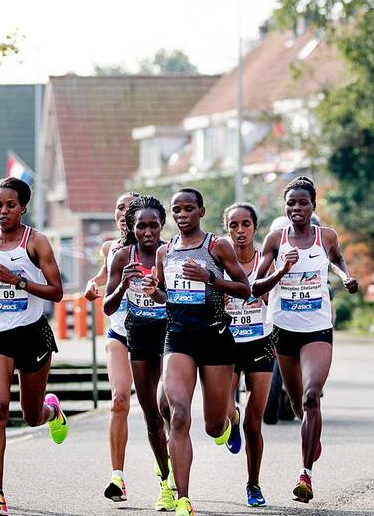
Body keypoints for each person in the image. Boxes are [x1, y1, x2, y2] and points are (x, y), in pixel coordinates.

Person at [0, 177, 67, 516]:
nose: (3, 211)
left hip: (31, 333)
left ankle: (52, 412)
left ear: (23, 207)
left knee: (31, 415)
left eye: (10, 205)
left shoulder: (37, 242)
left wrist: (18, 280)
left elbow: (57, 291)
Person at [141, 188, 251, 516]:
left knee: (213, 427)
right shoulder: (166, 251)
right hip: (178, 338)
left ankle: (230, 416)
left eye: (189, 208)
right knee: (178, 412)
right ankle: (184, 498)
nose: (182, 214)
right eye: (177, 209)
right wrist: (154, 291)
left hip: (215, 337)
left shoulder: (217, 246)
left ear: (201, 211)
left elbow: (245, 288)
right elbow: (165, 295)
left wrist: (209, 278)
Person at [253, 176, 359, 504]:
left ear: (314, 205)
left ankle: (305, 474)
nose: (297, 208)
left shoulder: (326, 237)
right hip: (283, 329)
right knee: (300, 405)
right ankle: (310, 432)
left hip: (317, 328)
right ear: (285, 209)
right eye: (291, 203)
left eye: (303, 202)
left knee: (313, 396)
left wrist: (345, 276)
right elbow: (256, 286)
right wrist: (282, 271)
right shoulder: (275, 239)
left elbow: (337, 259)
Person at [103, 195, 177, 511]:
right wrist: (124, 284)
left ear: (162, 225)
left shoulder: (172, 252)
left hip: (171, 336)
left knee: (167, 405)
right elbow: (108, 305)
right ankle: (165, 480)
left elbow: (180, 300)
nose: (147, 232)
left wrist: (156, 291)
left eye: (153, 225)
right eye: (141, 226)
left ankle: (175, 477)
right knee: (150, 417)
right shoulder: (122, 257)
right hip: (139, 335)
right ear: (132, 228)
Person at [221, 203, 276, 507]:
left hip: (260, 342)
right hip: (227, 344)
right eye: (233, 226)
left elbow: (273, 297)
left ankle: (253, 484)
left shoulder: (265, 261)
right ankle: (233, 417)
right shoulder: (219, 261)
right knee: (226, 411)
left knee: (255, 424)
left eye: (245, 225)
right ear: (226, 228)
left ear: (255, 228)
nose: (239, 231)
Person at [84, 192, 138, 502]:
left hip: (153, 335)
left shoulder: (157, 248)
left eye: (130, 208)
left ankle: (167, 473)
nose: (123, 213)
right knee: (119, 400)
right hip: (119, 332)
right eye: (119, 207)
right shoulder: (110, 247)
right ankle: (117, 478)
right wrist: (93, 285)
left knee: (162, 408)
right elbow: (105, 275)